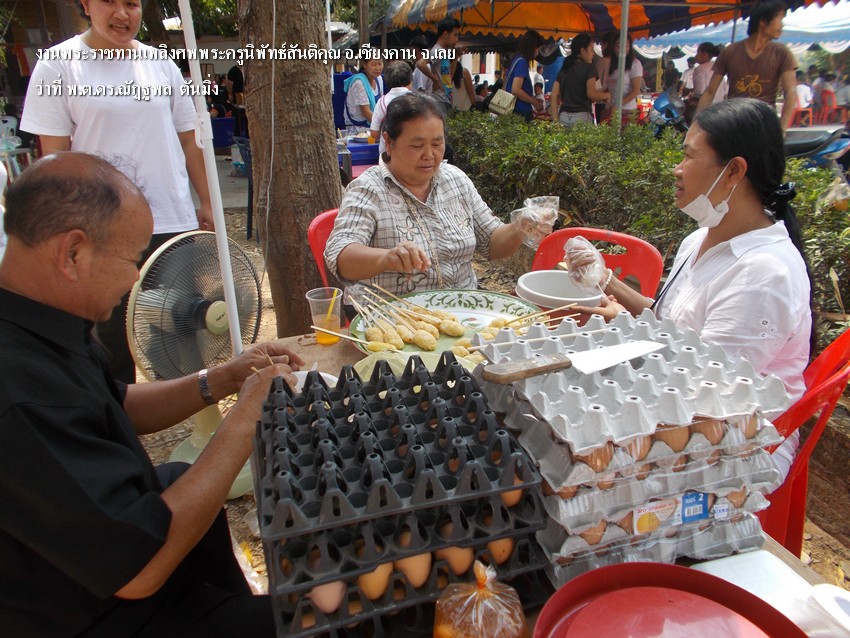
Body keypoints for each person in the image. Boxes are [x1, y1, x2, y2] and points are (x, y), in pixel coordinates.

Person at [0, 152, 305, 636]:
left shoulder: (39, 318)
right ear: (73, 253)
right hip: (99, 611)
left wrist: (223, 379)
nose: (135, 279)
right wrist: (247, 415)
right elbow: (138, 571)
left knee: (177, 477)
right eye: (133, 259)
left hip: (134, 565)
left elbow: (114, 402)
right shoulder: (18, 396)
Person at [569, 98, 812, 479]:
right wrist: (604, 279)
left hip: (737, 442)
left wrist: (624, 330)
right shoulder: (700, 240)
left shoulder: (764, 274)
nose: (677, 169)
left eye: (688, 156)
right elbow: (671, 323)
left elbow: (705, 389)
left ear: (734, 171)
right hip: (679, 404)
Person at [21, 0, 214, 385]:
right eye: (109, 1)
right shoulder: (58, 65)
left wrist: (206, 200)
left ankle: (187, 411)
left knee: (182, 332)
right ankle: (114, 415)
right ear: (86, 4)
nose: (122, 14)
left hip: (169, 221)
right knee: (111, 342)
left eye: (132, 3)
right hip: (101, 230)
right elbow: (55, 159)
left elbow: (190, 140)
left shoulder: (160, 64)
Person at [324, 92, 553, 295]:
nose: (429, 155)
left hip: (463, 310)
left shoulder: (455, 180)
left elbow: (491, 242)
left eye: (437, 144)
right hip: (396, 317)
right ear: (389, 142)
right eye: (417, 146)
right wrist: (386, 258)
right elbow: (340, 254)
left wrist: (519, 226)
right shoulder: (369, 189)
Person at [696, 0, 797, 131]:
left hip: (765, 127)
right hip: (734, 125)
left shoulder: (782, 53)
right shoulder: (730, 52)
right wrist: (697, 126)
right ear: (763, 21)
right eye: (779, 19)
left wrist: (781, 130)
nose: (782, 25)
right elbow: (710, 92)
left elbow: (791, 93)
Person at [550, 32, 610, 128]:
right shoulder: (590, 68)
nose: (593, 53)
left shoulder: (564, 68)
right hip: (582, 117)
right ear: (583, 51)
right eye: (591, 49)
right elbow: (591, 94)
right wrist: (608, 95)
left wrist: (556, 122)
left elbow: (553, 96)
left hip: (564, 117)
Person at [416, 17, 461, 115]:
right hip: (439, 100)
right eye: (455, 35)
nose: (456, 39)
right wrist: (435, 79)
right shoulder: (437, 50)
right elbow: (420, 64)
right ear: (445, 34)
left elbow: (449, 78)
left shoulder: (443, 51)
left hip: (445, 99)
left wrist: (456, 57)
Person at [370, 61, 412, 155]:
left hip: (387, 154)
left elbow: (374, 133)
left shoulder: (381, 102)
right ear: (410, 80)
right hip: (411, 153)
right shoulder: (417, 101)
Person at [601, 32, 644, 122]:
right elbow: (605, 87)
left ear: (630, 47)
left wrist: (618, 105)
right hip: (610, 109)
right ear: (613, 47)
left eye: (626, 46)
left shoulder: (635, 64)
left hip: (627, 111)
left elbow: (635, 90)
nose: (622, 49)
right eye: (618, 46)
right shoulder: (609, 64)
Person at [506, 29, 546, 122]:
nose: (537, 53)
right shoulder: (522, 62)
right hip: (519, 112)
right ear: (532, 47)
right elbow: (516, 90)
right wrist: (535, 102)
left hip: (513, 110)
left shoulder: (516, 60)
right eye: (537, 48)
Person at [344, 56, 384, 131]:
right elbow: (366, 112)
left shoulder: (379, 79)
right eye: (373, 64)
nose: (378, 68)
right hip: (358, 128)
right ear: (364, 64)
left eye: (380, 64)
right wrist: (385, 126)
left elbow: (381, 104)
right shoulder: (358, 83)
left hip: (374, 124)